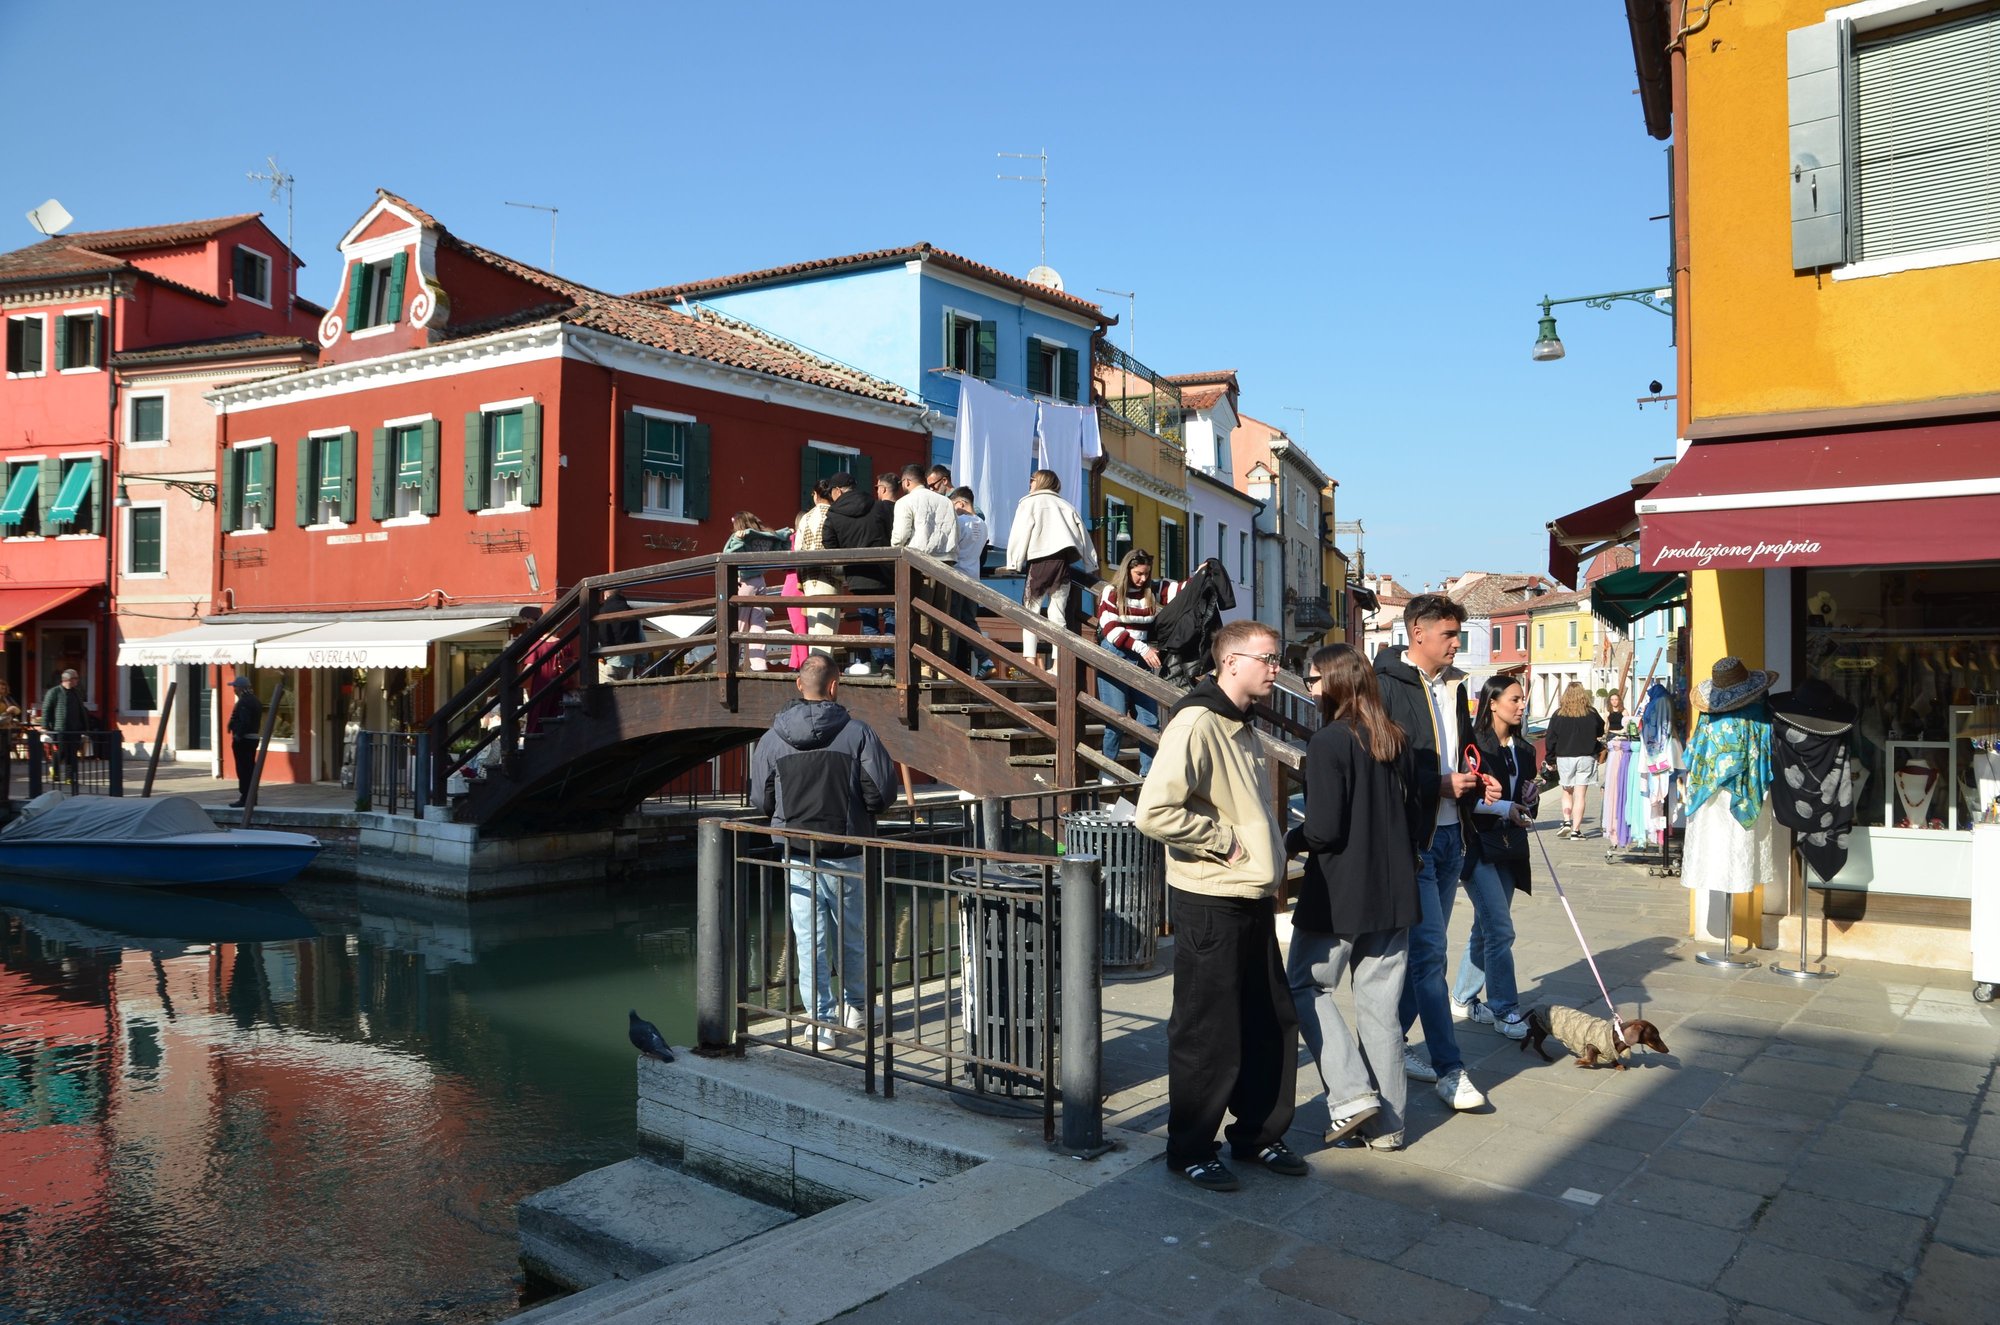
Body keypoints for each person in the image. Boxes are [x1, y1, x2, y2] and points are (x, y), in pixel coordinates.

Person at [1135, 620, 1304, 1192]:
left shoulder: (1242, 728)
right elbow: (1154, 811)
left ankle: (1256, 1134)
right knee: (1208, 1029)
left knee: (1268, 1021)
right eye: (1268, 658)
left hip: (1248, 896)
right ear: (1231, 662)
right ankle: (1190, 1148)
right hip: (1210, 898)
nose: (1276, 669)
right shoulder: (1198, 721)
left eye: (1277, 659)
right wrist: (1225, 843)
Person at [1287, 644, 1425, 1152]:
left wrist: (1290, 838)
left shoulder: (1329, 741)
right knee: (1380, 1011)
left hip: (1340, 893)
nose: (1309, 685)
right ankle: (1389, 1130)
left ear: (1339, 681)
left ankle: (1350, 1096)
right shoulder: (1396, 739)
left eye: (1316, 676)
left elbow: (1322, 829)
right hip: (1393, 893)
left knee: (1304, 985)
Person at [1374, 594, 1497, 1113]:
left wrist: (1478, 775)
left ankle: (1386, 1046)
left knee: (1425, 955)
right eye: (1448, 635)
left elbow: (1462, 746)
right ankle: (1451, 1068)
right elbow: (1380, 763)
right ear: (1416, 633)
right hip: (1415, 841)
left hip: (1453, 836)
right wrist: (1435, 783)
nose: (1456, 644)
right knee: (1430, 957)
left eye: (1457, 635)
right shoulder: (1383, 686)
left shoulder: (1457, 685)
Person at [748, 654, 897, 1049]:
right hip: (847, 849)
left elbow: (760, 800)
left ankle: (819, 1022)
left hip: (797, 852)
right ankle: (858, 1008)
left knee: (808, 938)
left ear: (800, 685)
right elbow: (881, 795)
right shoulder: (859, 733)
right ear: (835, 686)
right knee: (851, 934)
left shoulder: (771, 739)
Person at [1451, 673, 1540, 1041]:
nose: (1522, 706)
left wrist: (1529, 798)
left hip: (1509, 848)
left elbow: (1523, 796)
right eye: (1515, 699)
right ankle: (1505, 1008)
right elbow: (1468, 800)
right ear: (1492, 703)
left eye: (1523, 700)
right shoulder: (1474, 747)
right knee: (1501, 929)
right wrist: (1506, 807)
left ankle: (1462, 996)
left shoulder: (1526, 750)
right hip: (1477, 848)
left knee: (1485, 926)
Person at [1095, 548, 1181, 778]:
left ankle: (1148, 775)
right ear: (1127, 570)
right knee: (1116, 719)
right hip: (1115, 653)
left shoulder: (1151, 590)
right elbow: (1111, 630)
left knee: (1150, 720)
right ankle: (1107, 774)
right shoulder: (1111, 592)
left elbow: (1181, 591)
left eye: (1147, 574)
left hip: (1141, 657)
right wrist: (1142, 648)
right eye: (1139, 574)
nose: (1143, 579)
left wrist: (1203, 573)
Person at [1003, 469, 1097, 670]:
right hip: (1062, 564)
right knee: (1058, 614)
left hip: (1040, 561)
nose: (1029, 483)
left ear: (1041, 481)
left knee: (1031, 610)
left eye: (1032, 480)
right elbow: (1083, 535)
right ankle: (1057, 665)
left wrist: (1014, 562)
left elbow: (1020, 533)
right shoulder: (1066, 505)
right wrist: (1091, 563)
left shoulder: (1029, 502)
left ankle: (1029, 658)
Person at [891, 463, 959, 665]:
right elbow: (955, 532)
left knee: (921, 615)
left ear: (907, 481)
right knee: (942, 618)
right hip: (946, 563)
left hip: (920, 561)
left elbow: (900, 536)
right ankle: (943, 666)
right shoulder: (946, 502)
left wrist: (896, 548)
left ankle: (923, 666)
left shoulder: (904, 502)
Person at [723, 512, 787, 672]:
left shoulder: (743, 537)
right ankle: (759, 665)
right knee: (758, 624)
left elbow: (727, 555)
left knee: (739, 625)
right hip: (760, 581)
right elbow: (782, 546)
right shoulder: (768, 537)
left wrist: (737, 539)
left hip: (744, 583)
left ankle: (731, 664)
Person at [1546, 683, 1607, 838]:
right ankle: (1576, 830)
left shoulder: (1558, 714)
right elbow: (1600, 730)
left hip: (1564, 757)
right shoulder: (1591, 713)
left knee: (1567, 791)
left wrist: (1550, 758)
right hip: (1586, 757)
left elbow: (1551, 738)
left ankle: (1566, 820)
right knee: (1580, 794)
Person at [793, 479, 838, 659]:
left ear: (816, 495)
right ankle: (822, 669)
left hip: (808, 579)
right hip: (830, 578)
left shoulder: (806, 517)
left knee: (815, 628)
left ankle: (816, 668)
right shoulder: (835, 514)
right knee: (827, 630)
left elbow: (798, 550)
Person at [948, 486, 989, 675]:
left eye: (954, 505)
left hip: (957, 576)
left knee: (953, 622)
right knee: (969, 621)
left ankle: (950, 664)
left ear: (961, 503)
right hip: (974, 579)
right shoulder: (983, 525)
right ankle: (984, 659)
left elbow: (950, 547)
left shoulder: (960, 522)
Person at [40, 668, 90, 791]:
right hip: (60, 728)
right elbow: (46, 709)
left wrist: (84, 726)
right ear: (68, 679)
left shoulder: (76, 692)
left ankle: (70, 776)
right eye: (76, 678)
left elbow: (81, 709)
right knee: (61, 751)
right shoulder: (54, 692)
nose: (78, 681)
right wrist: (45, 726)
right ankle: (55, 770)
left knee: (72, 754)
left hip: (75, 728)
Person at [227, 676, 264, 808]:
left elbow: (245, 721)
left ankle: (246, 797)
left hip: (244, 740)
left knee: (243, 769)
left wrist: (238, 735)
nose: (234, 689)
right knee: (249, 768)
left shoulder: (244, 702)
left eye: (235, 686)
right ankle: (252, 797)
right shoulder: (255, 700)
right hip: (252, 738)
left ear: (241, 688)